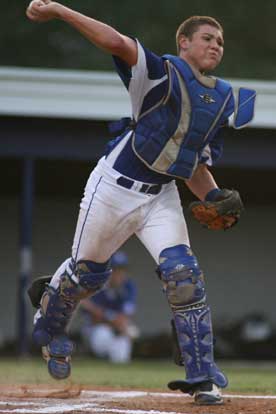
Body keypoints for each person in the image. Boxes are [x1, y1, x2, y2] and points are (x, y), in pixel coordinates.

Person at [26, 0, 256, 405]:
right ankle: (50, 322)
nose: (216, 45)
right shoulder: (160, 72)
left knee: (183, 275)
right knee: (87, 276)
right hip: (114, 187)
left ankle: (202, 377)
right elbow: (114, 40)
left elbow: (190, 166)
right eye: (207, 38)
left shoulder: (219, 102)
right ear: (184, 43)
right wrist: (61, 11)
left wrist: (216, 196)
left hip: (161, 196)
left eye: (220, 41)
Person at [80, 251, 138, 363]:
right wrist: (110, 318)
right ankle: (96, 360)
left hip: (117, 329)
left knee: (122, 354)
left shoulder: (128, 286)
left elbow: (126, 315)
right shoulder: (97, 284)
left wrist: (119, 322)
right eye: (116, 270)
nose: (119, 274)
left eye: (122, 270)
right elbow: (88, 309)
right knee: (103, 335)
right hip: (95, 329)